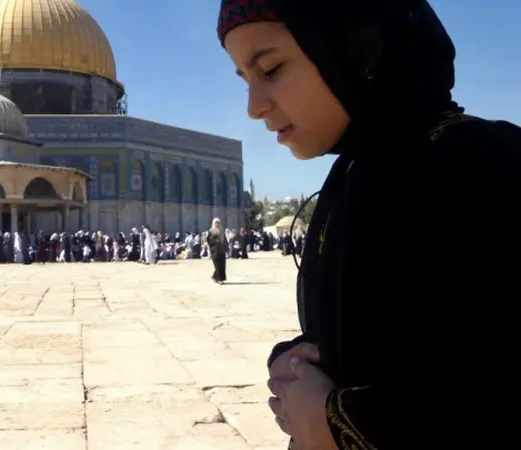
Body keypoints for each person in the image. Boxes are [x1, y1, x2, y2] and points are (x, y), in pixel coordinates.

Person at [217, 0, 521, 449]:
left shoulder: (482, 166)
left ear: (357, 47)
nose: (253, 107)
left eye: (272, 69)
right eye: (245, 80)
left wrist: (336, 421)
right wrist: (306, 365)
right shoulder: (356, 177)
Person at [206, 218, 227, 283]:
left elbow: (225, 239)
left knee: (222, 264)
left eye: (218, 222)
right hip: (215, 250)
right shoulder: (211, 231)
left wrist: (226, 246)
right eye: (216, 223)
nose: (217, 224)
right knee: (217, 264)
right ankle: (219, 279)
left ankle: (216, 277)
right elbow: (209, 240)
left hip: (222, 249)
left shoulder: (222, 230)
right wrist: (215, 241)